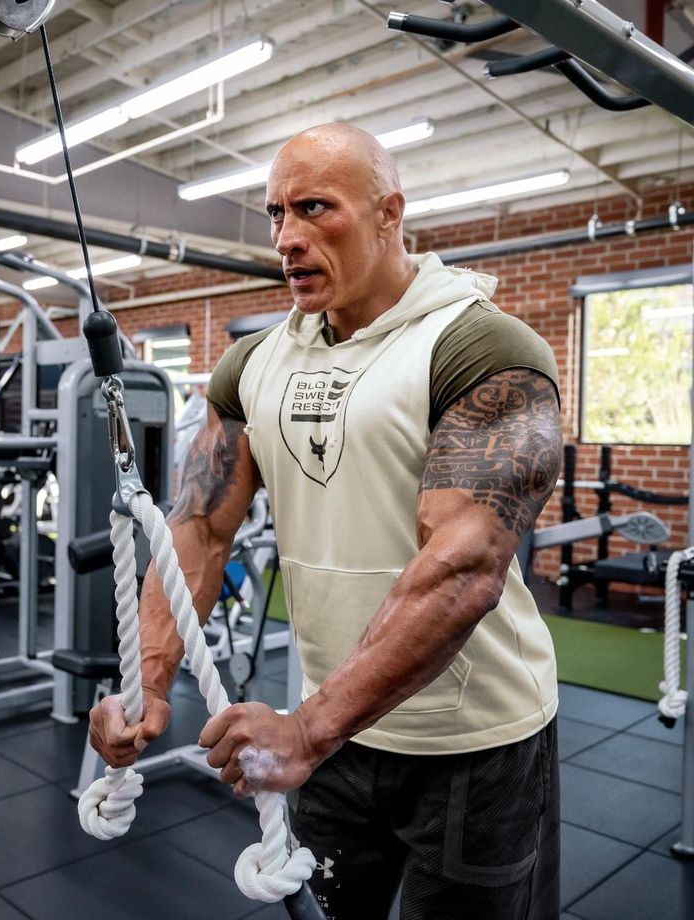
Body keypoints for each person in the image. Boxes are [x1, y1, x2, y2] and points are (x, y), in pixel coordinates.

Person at [89, 123, 563, 920]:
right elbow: (200, 532)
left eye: (315, 208)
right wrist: (145, 689)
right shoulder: (254, 364)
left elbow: (465, 564)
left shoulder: (480, 345)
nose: (288, 238)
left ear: (389, 213)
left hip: (473, 744)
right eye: (277, 214)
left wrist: (307, 730)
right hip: (331, 739)